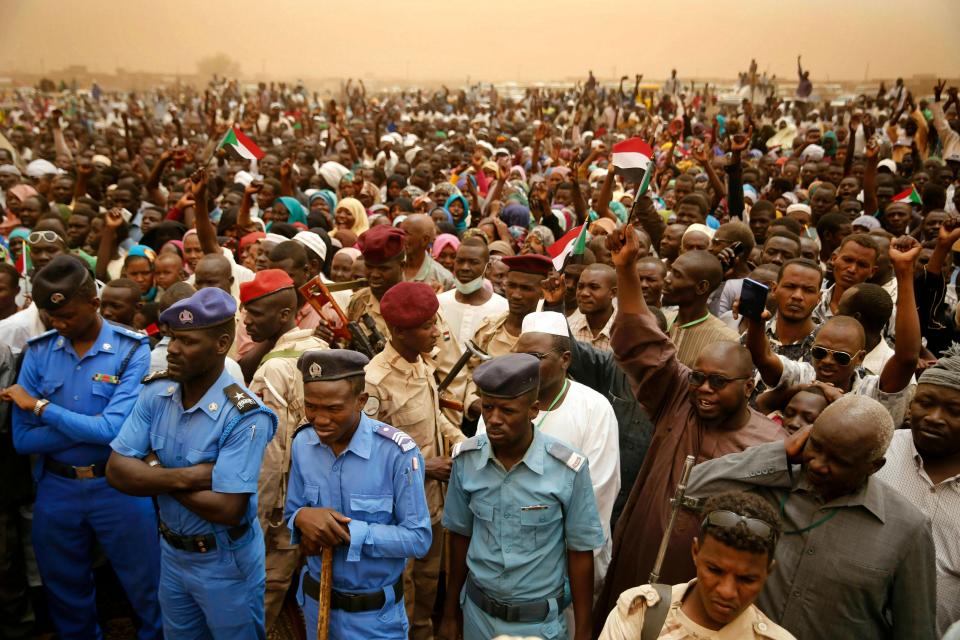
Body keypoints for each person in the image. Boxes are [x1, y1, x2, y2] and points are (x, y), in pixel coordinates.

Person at [594, 224, 785, 633]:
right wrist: (626, 269)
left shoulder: (770, 443)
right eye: (698, 377)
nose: (703, 389)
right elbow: (642, 340)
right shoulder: (679, 396)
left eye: (718, 382)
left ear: (749, 388)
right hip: (635, 574)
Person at [686, 395, 937, 639]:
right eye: (816, 445)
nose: (817, 464)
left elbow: (916, 630)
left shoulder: (908, 529)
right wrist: (779, 453)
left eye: (839, 460)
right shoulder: (771, 482)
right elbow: (690, 488)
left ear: (874, 466)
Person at [3, 255, 161, 639]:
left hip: (118, 484)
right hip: (57, 489)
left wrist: (41, 406)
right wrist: (93, 426)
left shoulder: (130, 350)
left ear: (94, 303)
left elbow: (113, 430)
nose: (59, 324)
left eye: (68, 316)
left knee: (148, 589)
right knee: (65, 593)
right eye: (50, 317)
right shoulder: (39, 352)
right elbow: (23, 439)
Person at [106, 287, 278, 639]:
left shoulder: (245, 415)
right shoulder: (157, 393)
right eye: (172, 339)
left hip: (225, 561)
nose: (173, 349)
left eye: (188, 341)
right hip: (172, 553)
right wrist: (189, 477)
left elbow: (227, 507)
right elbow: (116, 471)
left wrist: (153, 468)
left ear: (221, 344)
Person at [439, 353, 605, 640]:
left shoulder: (567, 468)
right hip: (477, 618)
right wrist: (450, 613)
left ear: (533, 410)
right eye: (488, 408)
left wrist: (584, 631)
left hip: (538, 626)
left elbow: (580, 552)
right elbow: (458, 537)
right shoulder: (466, 460)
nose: (493, 420)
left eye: (507, 411)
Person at [284, 349, 432, 639]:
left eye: (334, 409)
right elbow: (293, 514)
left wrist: (347, 534)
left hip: (374, 619)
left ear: (361, 402)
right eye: (311, 406)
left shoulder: (396, 452)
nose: (320, 419)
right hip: (316, 607)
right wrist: (303, 519)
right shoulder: (303, 443)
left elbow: (418, 539)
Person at [480, 311, 620, 590]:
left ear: (565, 360)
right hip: (498, 556)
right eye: (520, 357)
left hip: (565, 564)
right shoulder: (501, 401)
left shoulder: (594, 407)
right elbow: (483, 469)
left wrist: (555, 558)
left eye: (536, 358)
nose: (525, 367)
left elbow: (598, 491)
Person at [365, 281, 465, 640]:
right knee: (402, 591)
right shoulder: (376, 381)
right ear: (398, 331)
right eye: (426, 327)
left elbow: (433, 417)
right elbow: (370, 457)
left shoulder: (422, 364)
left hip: (432, 507)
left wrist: (462, 443)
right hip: (398, 514)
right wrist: (427, 466)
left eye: (434, 322)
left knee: (427, 587)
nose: (436, 332)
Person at [745, 237, 921, 425]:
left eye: (842, 357)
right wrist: (756, 321)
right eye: (819, 352)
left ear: (860, 358)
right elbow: (762, 357)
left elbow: (907, 358)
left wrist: (904, 272)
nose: (827, 361)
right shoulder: (803, 375)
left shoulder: (870, 390)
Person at [240, 269, 328, 631]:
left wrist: (255, 523)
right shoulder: (320, 348)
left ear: (283, 315)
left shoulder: (273, 370)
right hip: (318, 494)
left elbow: (269, 457)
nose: (245, 321)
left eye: (255, 314)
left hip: (280, 506)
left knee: (264, 590)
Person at [598, 491, 795, 640]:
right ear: (695, 552)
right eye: (715, 570)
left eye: (747, 579)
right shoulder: (640, 611)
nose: (727, 591)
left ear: (768, 572)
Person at [875, 346, 960, 635]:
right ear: (910, 407)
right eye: (925, 403)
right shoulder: (878, 450)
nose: (935, 417)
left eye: (954, 410)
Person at [661, 249, 741, 367]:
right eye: (671, 271)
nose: (667, 279)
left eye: (677, 275)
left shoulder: (726, 341)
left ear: (702, 287)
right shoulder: (659, 323)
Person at [437, 237, 507, 346]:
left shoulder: (503, 308)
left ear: (487, 268)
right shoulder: (439, 303)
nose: (465, 268)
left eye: (473, 262)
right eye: (460, 261)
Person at [568, 263, 618, 351]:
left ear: (613, 293)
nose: (584, 293)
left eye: (594, 287)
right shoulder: (569, 328)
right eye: (580, 287)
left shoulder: (628, 333)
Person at [401, 213, 455, 291]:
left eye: (406, 233)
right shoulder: (392, 267)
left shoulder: (443, 278)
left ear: (425, 240)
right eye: (400, 232)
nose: (400, 237)